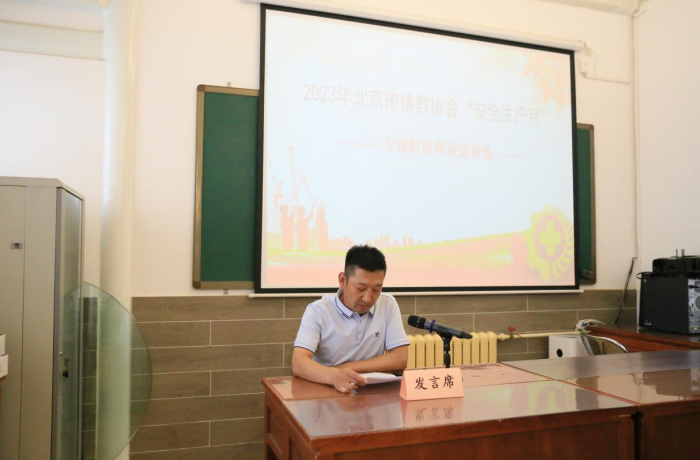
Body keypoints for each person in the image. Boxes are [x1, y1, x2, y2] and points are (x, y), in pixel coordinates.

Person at [292, 245, 409, 393]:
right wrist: (334, 376)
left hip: (370, 392)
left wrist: (345, 368)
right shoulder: (318, 311)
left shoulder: (387, 304)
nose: (368, 298)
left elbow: (400, 359)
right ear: (343, 280)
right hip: (326, 391)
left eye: (376, 289)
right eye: (360, 288)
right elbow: (298, 362)